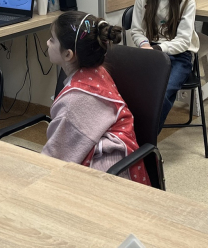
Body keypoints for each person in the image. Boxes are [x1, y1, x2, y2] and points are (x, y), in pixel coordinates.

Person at [42, 11, 149, 185]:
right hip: (123, 159)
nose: (47, 42)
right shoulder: (97, 71)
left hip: (108, 173)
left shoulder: (73, 102)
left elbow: (55, 158)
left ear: (68, 55)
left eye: (52, 39)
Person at [131, 0, 199, 126]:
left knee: (162, 92)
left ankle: (145, 140)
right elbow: (136, 31)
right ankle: (134, 136)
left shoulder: (186, 0)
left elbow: (183, 42)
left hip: (179, 56)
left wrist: (157, 49)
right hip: (150, 51)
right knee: (134, 91)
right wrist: (145, 45)